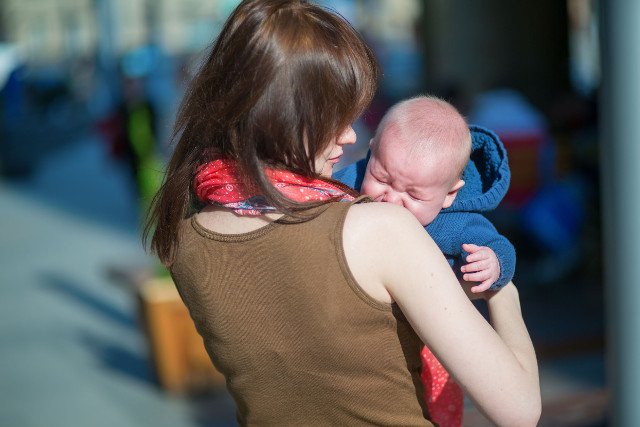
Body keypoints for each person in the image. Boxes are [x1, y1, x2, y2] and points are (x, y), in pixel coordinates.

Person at [144, 1, 541, 426]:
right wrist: (505, 294)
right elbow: (519, 411)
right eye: (336, 116)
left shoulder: (183, 242)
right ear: (285, 115)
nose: (350, 135)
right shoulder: (381, 231)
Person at [334, 96, 516, 426]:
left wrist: (494, 263)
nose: (392, 198)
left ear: (449, 194)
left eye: (414, 195)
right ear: (372, 151)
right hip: (367, 332)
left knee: (435, 401)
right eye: (383, 178)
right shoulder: (349, 182)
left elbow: (499, 246)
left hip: (432, 335)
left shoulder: (456, 222)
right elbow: (317, 200)